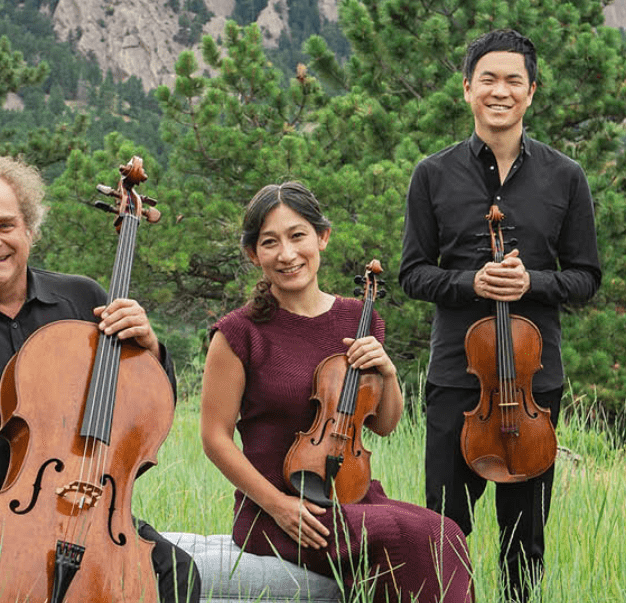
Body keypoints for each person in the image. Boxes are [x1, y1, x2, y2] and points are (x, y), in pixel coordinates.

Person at [0, 144, 200, 603]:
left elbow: (140, 410)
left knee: (177, 572)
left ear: (29, 229)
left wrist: (152, 349)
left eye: (5, 224)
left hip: (76, 508)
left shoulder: (84, 300)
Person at [398, 29, 602, 602]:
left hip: (535, 383)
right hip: (457, 379)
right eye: (488, 78)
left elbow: (587, 277)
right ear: (467, 89)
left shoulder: (566, 177)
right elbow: (413, 273)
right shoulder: (432, 175)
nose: (500, 90)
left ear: (531, 92)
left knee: (524, 538)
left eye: (514, 80)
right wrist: (471, 282)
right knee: (442, 530)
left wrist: (533, 282)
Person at [201, 182, 475, 603]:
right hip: (276, 512)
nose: (287, 254)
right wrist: (277, 505)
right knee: (408, 536)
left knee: (447, 532)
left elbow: (383, 425)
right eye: (270, 242)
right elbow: (214, 437)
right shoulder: (239, 333)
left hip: (350, 496)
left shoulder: (359, 318)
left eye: (297, 236)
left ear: (322, 238)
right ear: (254, 254)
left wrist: (387, 371)